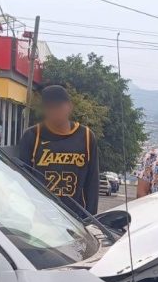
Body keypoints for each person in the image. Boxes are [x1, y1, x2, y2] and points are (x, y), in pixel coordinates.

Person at [17, 85, 99, 215]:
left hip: (77, 217)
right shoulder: (32, 135)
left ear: (70, 106)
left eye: (59, 106)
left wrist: (91, 218)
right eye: (51, 107)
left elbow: (92, 182)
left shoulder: (86, 136)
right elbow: (22, 180)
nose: (56, 111)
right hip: (42, 216)